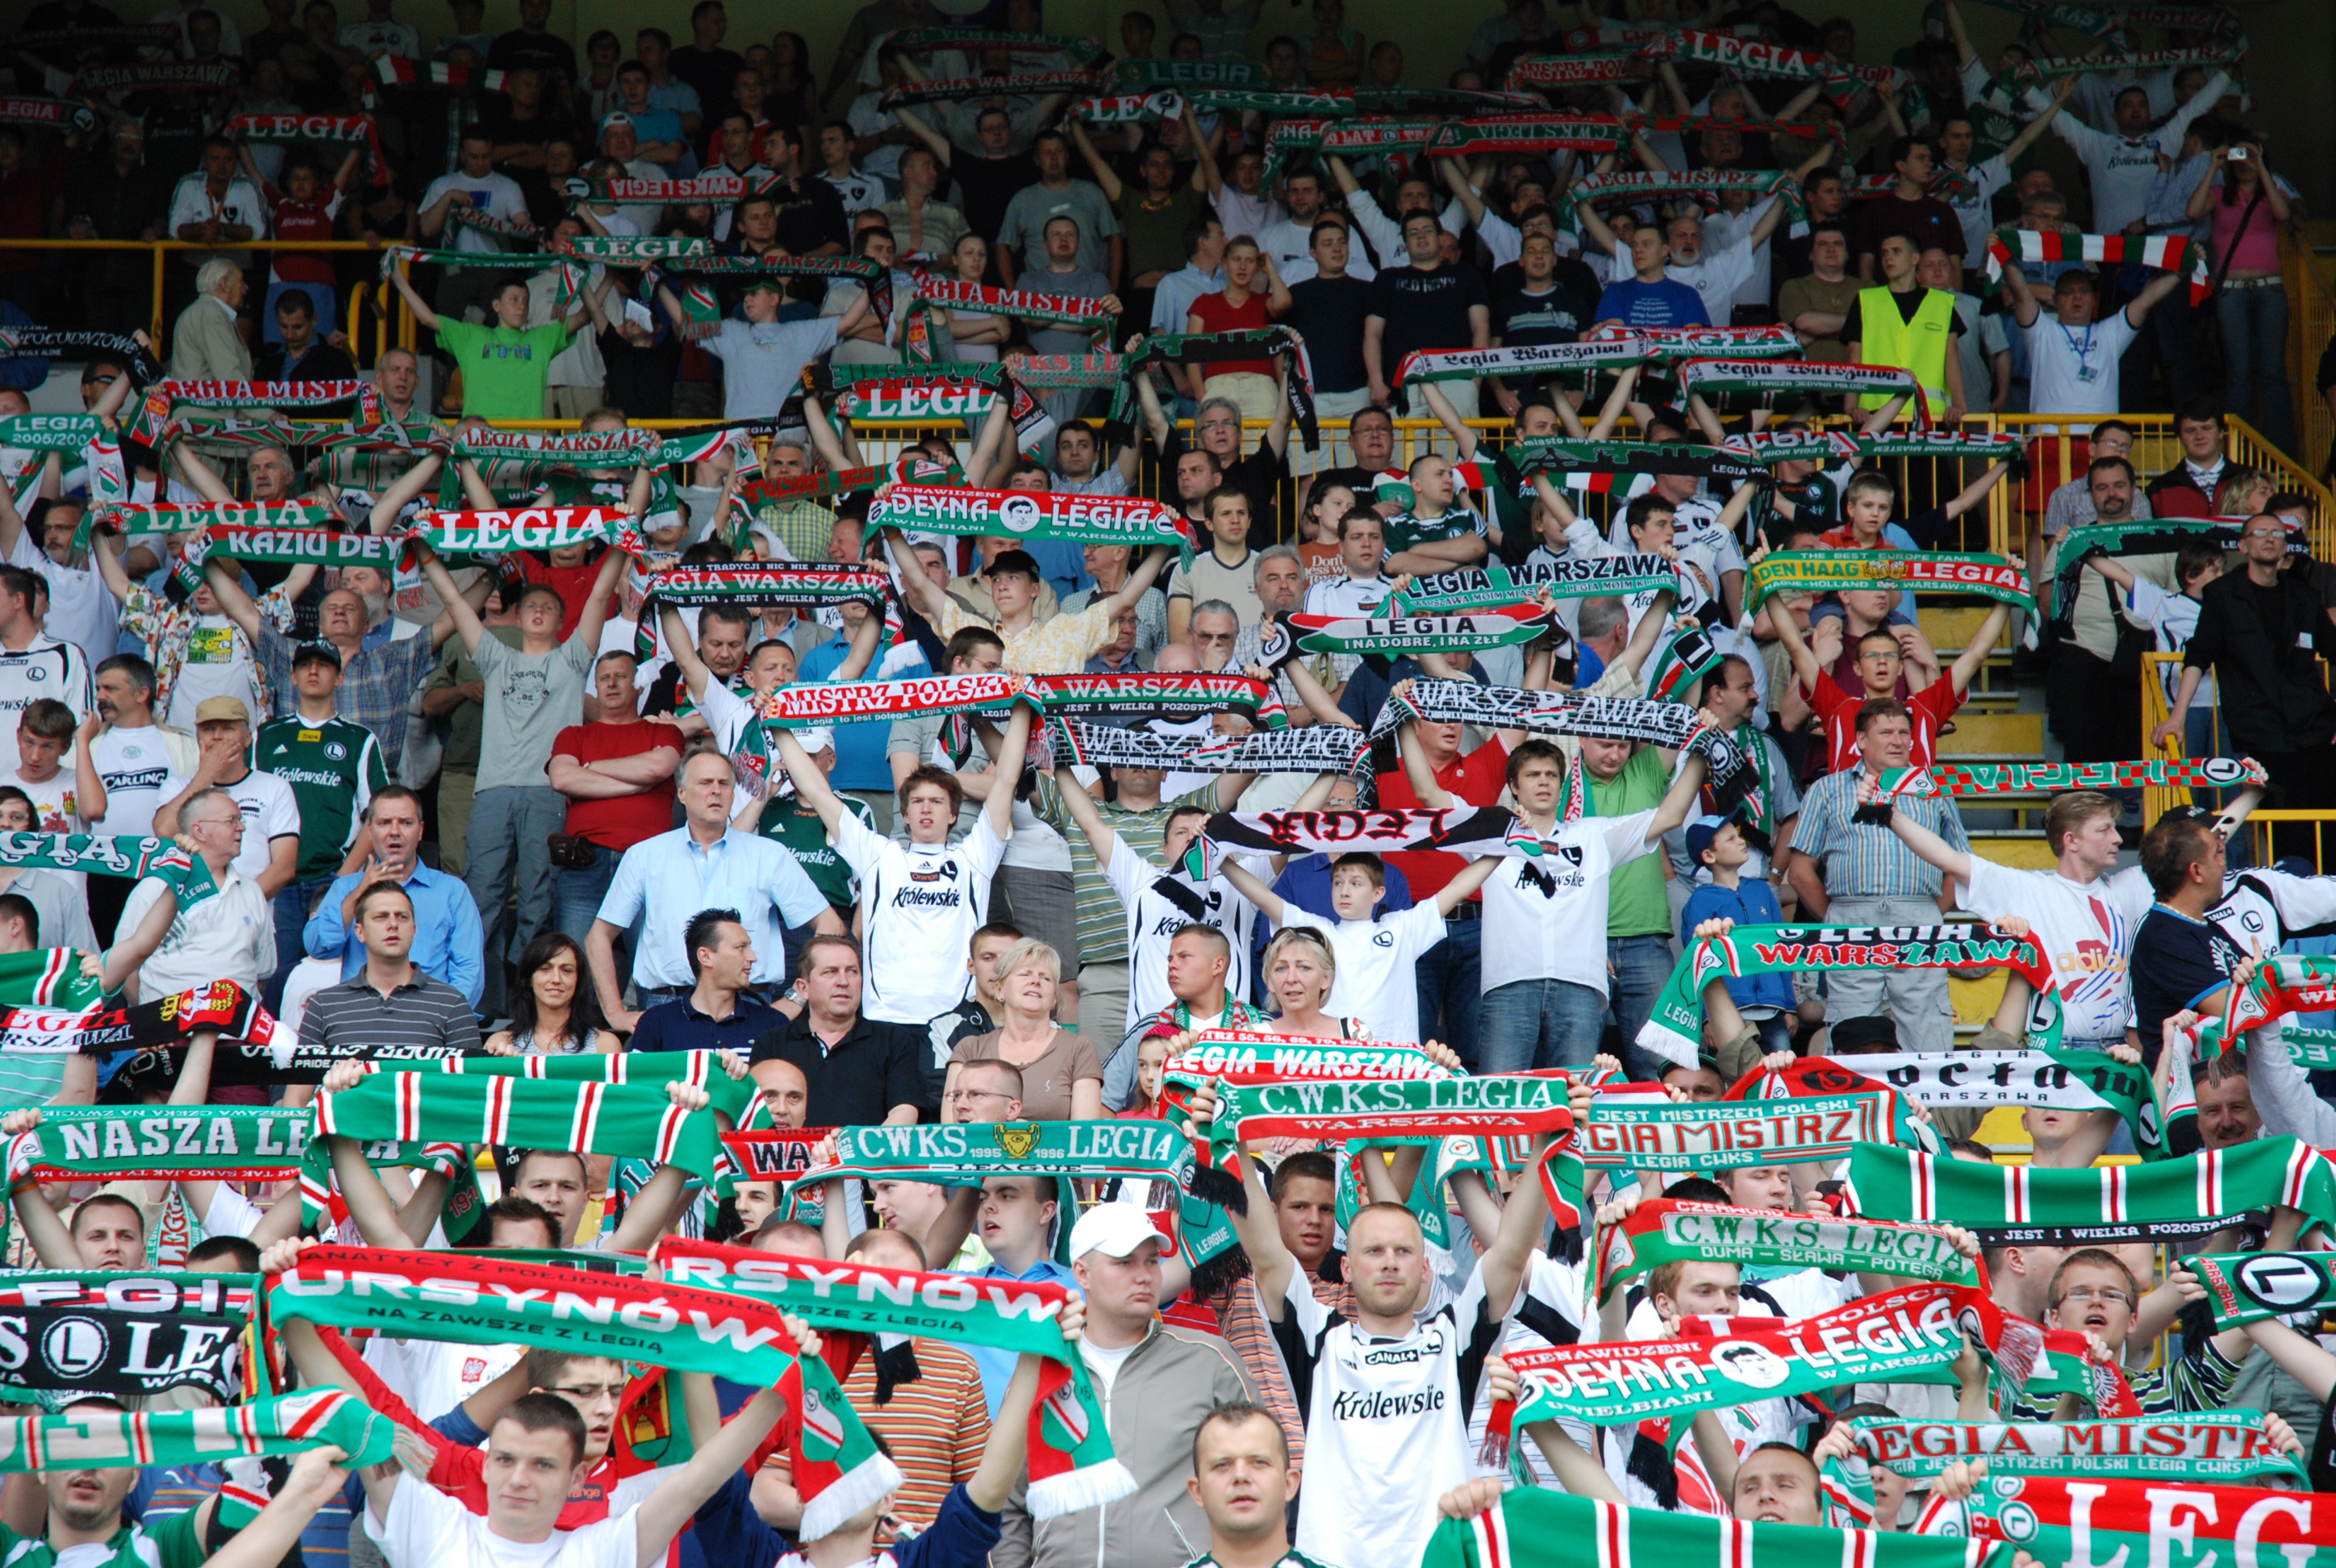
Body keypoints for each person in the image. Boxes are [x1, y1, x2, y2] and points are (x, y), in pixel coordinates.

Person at [1198, 1074, 1550, 1568]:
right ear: (1346, 1267)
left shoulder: (1454, 1338)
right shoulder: (1319, 1340)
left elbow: (1511, 1252)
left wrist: (1547, 1144)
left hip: (1437, 1559)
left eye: (1403, 1251)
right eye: (1374, 1251)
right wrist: (1227, 1137)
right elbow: (1267, 1253)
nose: (1389, 1263)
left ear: (1424, 1268)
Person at [415, 540, 624, 1019]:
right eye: (531, 605)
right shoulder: (495, 656)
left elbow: (599, 594)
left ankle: (525, 1000)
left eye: (548, 607)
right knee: (481, 894)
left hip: (548, 791)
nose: (539, 611)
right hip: (492, 789)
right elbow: (455, 604)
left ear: (560, 620)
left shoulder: (573, 659)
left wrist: (622, 544)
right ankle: (473, 1002)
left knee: (538, 898)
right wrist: (426, 556)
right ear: (519, 615)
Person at [995, 1203, 1260, 1568]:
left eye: (1152, 1261)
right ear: (1082, 1273)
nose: (1145, 1275)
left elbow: (1260, 1478)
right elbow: (1006, 1500)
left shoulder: (1211, 1362)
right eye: (1125, 1263)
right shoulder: (1041, 1369)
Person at [772, 701, 1032, 1027]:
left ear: (953, 814)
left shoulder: (974, 858)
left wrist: (1023, 704)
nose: (926, 809)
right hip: (885, 1018)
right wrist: (776, 722)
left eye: (936, 802)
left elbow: (1006, 780)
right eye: (917, 802)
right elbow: (817, 791)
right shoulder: (879, 856)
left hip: (954, 1019)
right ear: (905, 815)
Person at [589, 749, 841, 1028]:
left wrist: (796, 997)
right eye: (705, 783)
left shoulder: (769, 855)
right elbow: (599, 935)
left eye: (724, 783)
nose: (716, 791)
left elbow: (830, 924)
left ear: (733, 794)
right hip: (668, 1007)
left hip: (751, 1006)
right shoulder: (645, 856)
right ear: (682, 793)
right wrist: (615, 1013)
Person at [1787, 701, 1972, 1055]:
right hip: (1850, 916)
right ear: (1861, 740)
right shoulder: (1827, 789)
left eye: (1904, 732)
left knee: (1927, 1027)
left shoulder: (1935, 788)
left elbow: (1961, 864)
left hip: (1920, 915)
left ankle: (1926, 1095)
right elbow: (1799, 871)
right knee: (1852, 1031)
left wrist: (1930, 912)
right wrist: (1838, 917)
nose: (1897, 741)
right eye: (1886, 732)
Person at [2160, 514, 2336, 820]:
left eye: (2277, 534)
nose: (2270, 538)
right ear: (2242, 546)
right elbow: (2198, 656)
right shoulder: (2222, 594)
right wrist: (2177, 718)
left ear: (2285, 547)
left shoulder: (2303, 596)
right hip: (2259, 728)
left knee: (2326, 821)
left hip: (2314, 726)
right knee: (2282, 822)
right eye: (2260, 532)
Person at [251, 641, 386, 1012]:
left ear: (339, 678)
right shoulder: (266, 735)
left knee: (331, 975)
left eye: (324, 665)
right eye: (305, 665)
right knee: (275, 977)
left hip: (332, 876)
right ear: (293, 677)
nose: (313, 671)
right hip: (276, 879)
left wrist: (343, 878)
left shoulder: (359, 739)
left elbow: (378, 815)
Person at [302, 786, 486, 1008]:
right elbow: (318, 947)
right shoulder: (345, 888)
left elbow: (469, 971)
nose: (395, 832)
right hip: (360, 1016)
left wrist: (444, 1017)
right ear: (370, 831)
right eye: (384, 823)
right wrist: (361, 890)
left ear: (420, 831)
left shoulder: (452, 892)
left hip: (430, 1018)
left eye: (406, 823)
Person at [106, 783, 273, 1003]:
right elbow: (124, 970)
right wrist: (150, 1018)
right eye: (231, 820)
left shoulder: (252, 891)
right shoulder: (153, 888)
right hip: (168, 1023)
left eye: (240, 819)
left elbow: (262, 974)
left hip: (239, 1023)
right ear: (199, 830)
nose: (241, 827)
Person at [748, 933, 928, 1126]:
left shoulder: (892, 1039)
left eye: (852, 971)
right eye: (830, 972)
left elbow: (905, 1111)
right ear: (804, 988)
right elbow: (757, 1116)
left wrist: (858, 1145)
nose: (843, 981)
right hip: (791, 1146)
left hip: (865, 1147)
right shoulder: (772, 1043)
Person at [298, 878, 484, 1056]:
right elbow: (302, 1079)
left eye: (402, 917)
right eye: (381, 917)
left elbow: (468, 1077)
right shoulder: (324, 1006)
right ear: (360, 932)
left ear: (414, 930)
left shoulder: (452, 1004)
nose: (393, 924)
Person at [1998, 262, 2185, 418]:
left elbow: (2147, 300)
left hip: (2100, 440)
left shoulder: (2111, 333)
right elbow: (2021, 293)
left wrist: (2181, 272)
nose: (2077, 296)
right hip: (2051, 437)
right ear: (2055, 300)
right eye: (2068, 291)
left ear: (2094, 299)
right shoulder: (2042, 332)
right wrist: (2004, 257)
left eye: (2084, 291)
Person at [1364, 208, 1491, 417]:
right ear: (1405, 243)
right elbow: (1372, 333)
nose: (1421, 236)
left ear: (1440, 237)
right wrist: (1376, 382)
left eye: (1428, 230)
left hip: (1456, 382)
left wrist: (1474, 381)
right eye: (1413, 233)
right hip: (1403, 384)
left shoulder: (1466, 274)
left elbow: (1481, 328)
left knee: (1458, 440)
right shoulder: (1387, 279)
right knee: (1404, 441)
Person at [1847, 231, 1967, 422]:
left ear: (1915, 258)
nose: (1888, 258)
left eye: (1896, 251)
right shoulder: (1865, 300)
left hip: (1929, 414)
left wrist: (1960, 405)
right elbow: (1855, 356)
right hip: (1874, 414)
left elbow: (1951, 356)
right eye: (1884, 253)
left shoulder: (1942, 303)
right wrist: (1851, 407)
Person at [628, 907, 782, 1053]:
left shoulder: (773, 1023)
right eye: (741, 947)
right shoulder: (656, 1023)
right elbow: (638, 1073)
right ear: (705, 956)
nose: (752, 957)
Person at [483, 932, 612, 1055]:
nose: (556, 979)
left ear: (578, 980)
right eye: (545, 969)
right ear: (529, 979)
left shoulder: (604, 1044)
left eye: (567, 970)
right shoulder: (501, 1043)